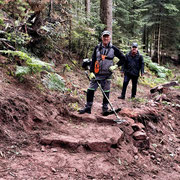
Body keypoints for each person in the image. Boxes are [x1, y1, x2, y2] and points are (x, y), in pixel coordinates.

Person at [78, 30, 125, 115]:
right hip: (97, 74)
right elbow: (93, 60)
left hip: (107, 75)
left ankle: (105, 109)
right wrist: (91, 72)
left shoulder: (113, 49)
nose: (106, 38)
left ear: (110, 38)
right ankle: (88, 107)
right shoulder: (97, 48)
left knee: (106, 92)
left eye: (107, 36)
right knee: (90, 90)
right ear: (102, 38)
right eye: (104, 36)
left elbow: (123, 58)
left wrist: (116, 66)